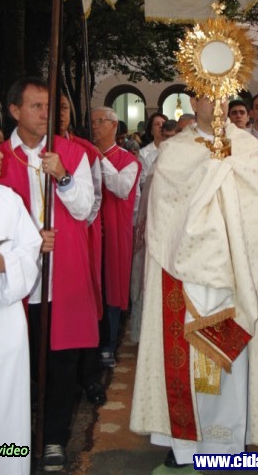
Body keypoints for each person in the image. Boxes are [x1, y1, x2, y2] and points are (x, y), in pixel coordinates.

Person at [130, 96, 258, 465]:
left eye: (224, 94)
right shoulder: (174, 151)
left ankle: (231, 443)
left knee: (236, 367)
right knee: (187, 360)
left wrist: (225, 177)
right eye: (209, 95)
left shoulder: (249, 149)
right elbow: (165, 212)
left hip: (240, 274)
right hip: (186, 273)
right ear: (194, 100)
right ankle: (184, 446)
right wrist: (212, 173)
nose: (218, 103)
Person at [0, 78, 98, 472]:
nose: (45, 113)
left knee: (61, 363)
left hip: (62, 275)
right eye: (36, 106)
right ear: (14, 111)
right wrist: (28, 243)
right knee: (18, 365)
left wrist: (64, 177)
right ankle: (14, 440)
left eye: (48, 106)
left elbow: (85, 209)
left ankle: (54, 437)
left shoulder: (71, 153)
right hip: (14, 283)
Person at [0, 119, 41, 475]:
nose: (0, 153)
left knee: (4, 402)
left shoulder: (8, 200)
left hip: (2, 324)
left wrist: (5, 263)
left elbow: (30, 251)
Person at [59, 94, 106, 406]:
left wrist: (78, 227)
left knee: (83, 307)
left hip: (81, 237)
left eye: (64, 107)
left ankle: (89, 376)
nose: (58, 113)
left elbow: (96, 196)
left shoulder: (85, 150)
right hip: (45, 245)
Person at [91, 106, 141, 368]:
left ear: (113, 125)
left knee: (111, 285)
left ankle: (108, 344)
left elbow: (121, 188)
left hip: (115, 231)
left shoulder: (128, 160)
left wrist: (100, 159)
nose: (94, 126)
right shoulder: (85, 155)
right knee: (92, 285)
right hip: (90, 231)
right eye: (92, 122)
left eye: (99, 121)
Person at [138, 112, 167, 187]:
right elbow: (143, 180)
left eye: (163, 123)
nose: (161, 126)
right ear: (151, 131)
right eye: (157, 124)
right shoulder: (143, 153)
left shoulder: (174, 149)